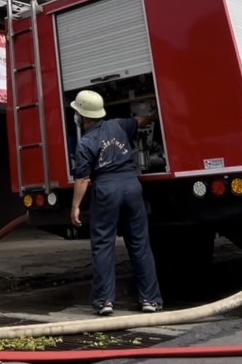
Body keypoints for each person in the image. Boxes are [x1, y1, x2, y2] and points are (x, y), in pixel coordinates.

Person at [68, 89, 163, 316]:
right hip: (131, 187)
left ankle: (104, 302)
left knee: (103, 245)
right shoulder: (120, 125)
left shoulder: (85, 143)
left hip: (106, 190)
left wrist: (75, 207)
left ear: (83, 117)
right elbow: (138, 121)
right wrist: (153, 117)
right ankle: (150, 300)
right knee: (140, 244)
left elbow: (82, 179)